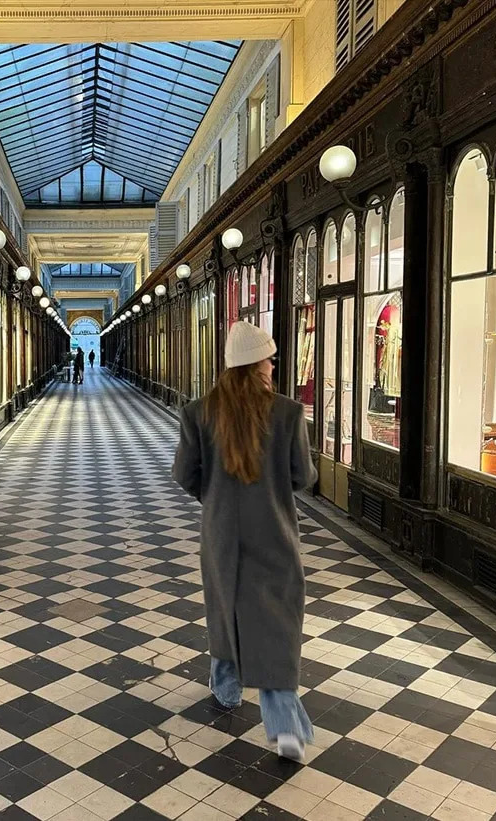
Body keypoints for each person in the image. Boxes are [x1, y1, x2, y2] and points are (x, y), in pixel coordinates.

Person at [173, 321, 317, 762]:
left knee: (224, 606)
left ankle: (226, 687)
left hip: (220, 533)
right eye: (269, 359)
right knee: (276, 618)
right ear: (257, 365)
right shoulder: (288, 413)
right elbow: (303, 476)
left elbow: (184, 473)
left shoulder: (198, 412)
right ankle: (284, 724)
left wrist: (216, 496)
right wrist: (271, 487)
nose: (273, 365)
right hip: (273, 531)